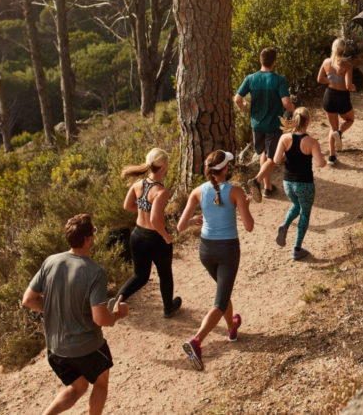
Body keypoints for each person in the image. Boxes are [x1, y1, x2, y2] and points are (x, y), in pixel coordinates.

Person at [22, 214, 129, 415]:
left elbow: (28, 299)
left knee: (77, 387)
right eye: (94, 232)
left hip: (56, 349)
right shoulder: (95, 272)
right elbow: (100, 319)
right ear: (89, 239)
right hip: (86, 348)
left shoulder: (50, 262)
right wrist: (118, 314)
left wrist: (58, 308)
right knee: (101, 382)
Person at [176, 150, 255, 371]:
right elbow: (249, 227)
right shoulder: (236, 192)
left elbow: (180, 226)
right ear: (226, 169)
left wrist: (194, 220)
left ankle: (232, 327)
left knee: (223, 290)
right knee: (220, 302)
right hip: (228, 250)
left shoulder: (197, 192)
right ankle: (196, 341)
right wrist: (245, 206)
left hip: (206, 250)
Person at [115, 148, 181, 317]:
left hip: (137, 236)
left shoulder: (138, 185)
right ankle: (168, 307)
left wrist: (142, 208)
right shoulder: (161, 191)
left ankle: (118, 299)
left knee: (140, 276)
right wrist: (166, 236)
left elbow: (127, 206)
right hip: (155, 238)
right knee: (165, 273)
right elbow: (154, 220)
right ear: (165, 167)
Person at [234, 47, 295, 198]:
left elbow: (237, 99)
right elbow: (286, 102)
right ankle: (256, 180)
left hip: (256, 124)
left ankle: (268, 188)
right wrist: (295, 111)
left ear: (261, 61)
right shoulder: (278, 80)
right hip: (273, 125)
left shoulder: (251, 78)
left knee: (264, 153)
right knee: (274, 158)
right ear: (274, 62)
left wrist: (244, 108)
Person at [272, 108, 327, 260]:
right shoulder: (311, 142)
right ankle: (297, 249)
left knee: (296, 205)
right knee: (305, 213)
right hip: (305, 184)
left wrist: (287, 157)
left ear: (294, 120)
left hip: (288, 182)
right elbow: (321, 163)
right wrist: (324, 159)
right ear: (308, 122)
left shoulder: (284, 138)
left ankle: (285, 225)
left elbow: (276, 160)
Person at [317, 38, 356, 165]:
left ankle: (331, 157)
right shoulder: (347, 65)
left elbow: (320, 79)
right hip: (342, 97)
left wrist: (331, 80)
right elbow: (348, 85)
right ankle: (339, 133)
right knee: (349, 120)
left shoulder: (326, 62)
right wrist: (353, 87)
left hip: (329, 96)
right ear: (344, 50)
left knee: (332, 128)